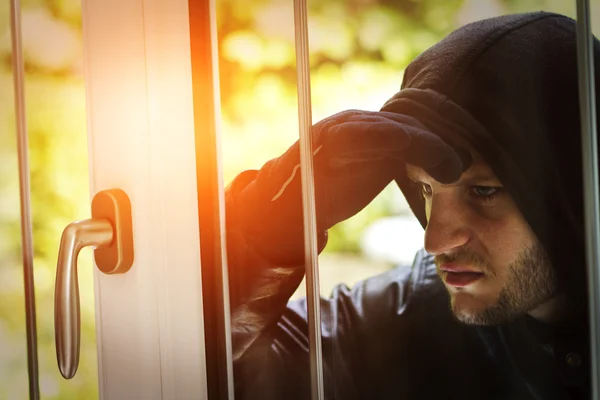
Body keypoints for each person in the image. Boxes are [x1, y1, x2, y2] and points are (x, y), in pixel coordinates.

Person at [224, 11, 595, 400]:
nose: (434, 240)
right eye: (426, 190)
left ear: (574, 186)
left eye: (484, 191)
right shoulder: (414, 311)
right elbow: (213, 369)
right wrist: (262, 237)